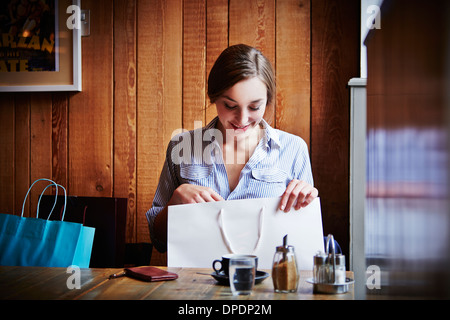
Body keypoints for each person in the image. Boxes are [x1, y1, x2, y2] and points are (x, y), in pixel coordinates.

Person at [146, 44, 318, 253]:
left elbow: (305, 242)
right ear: (214, 96)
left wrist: (308, 202)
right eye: (230, 105)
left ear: (268, 101)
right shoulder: (182, 147)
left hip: (267, 283)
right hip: (194, 283)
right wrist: (174, 204)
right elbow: (159, 241)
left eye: (255, 107)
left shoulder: (294, 149)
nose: (242, 119)